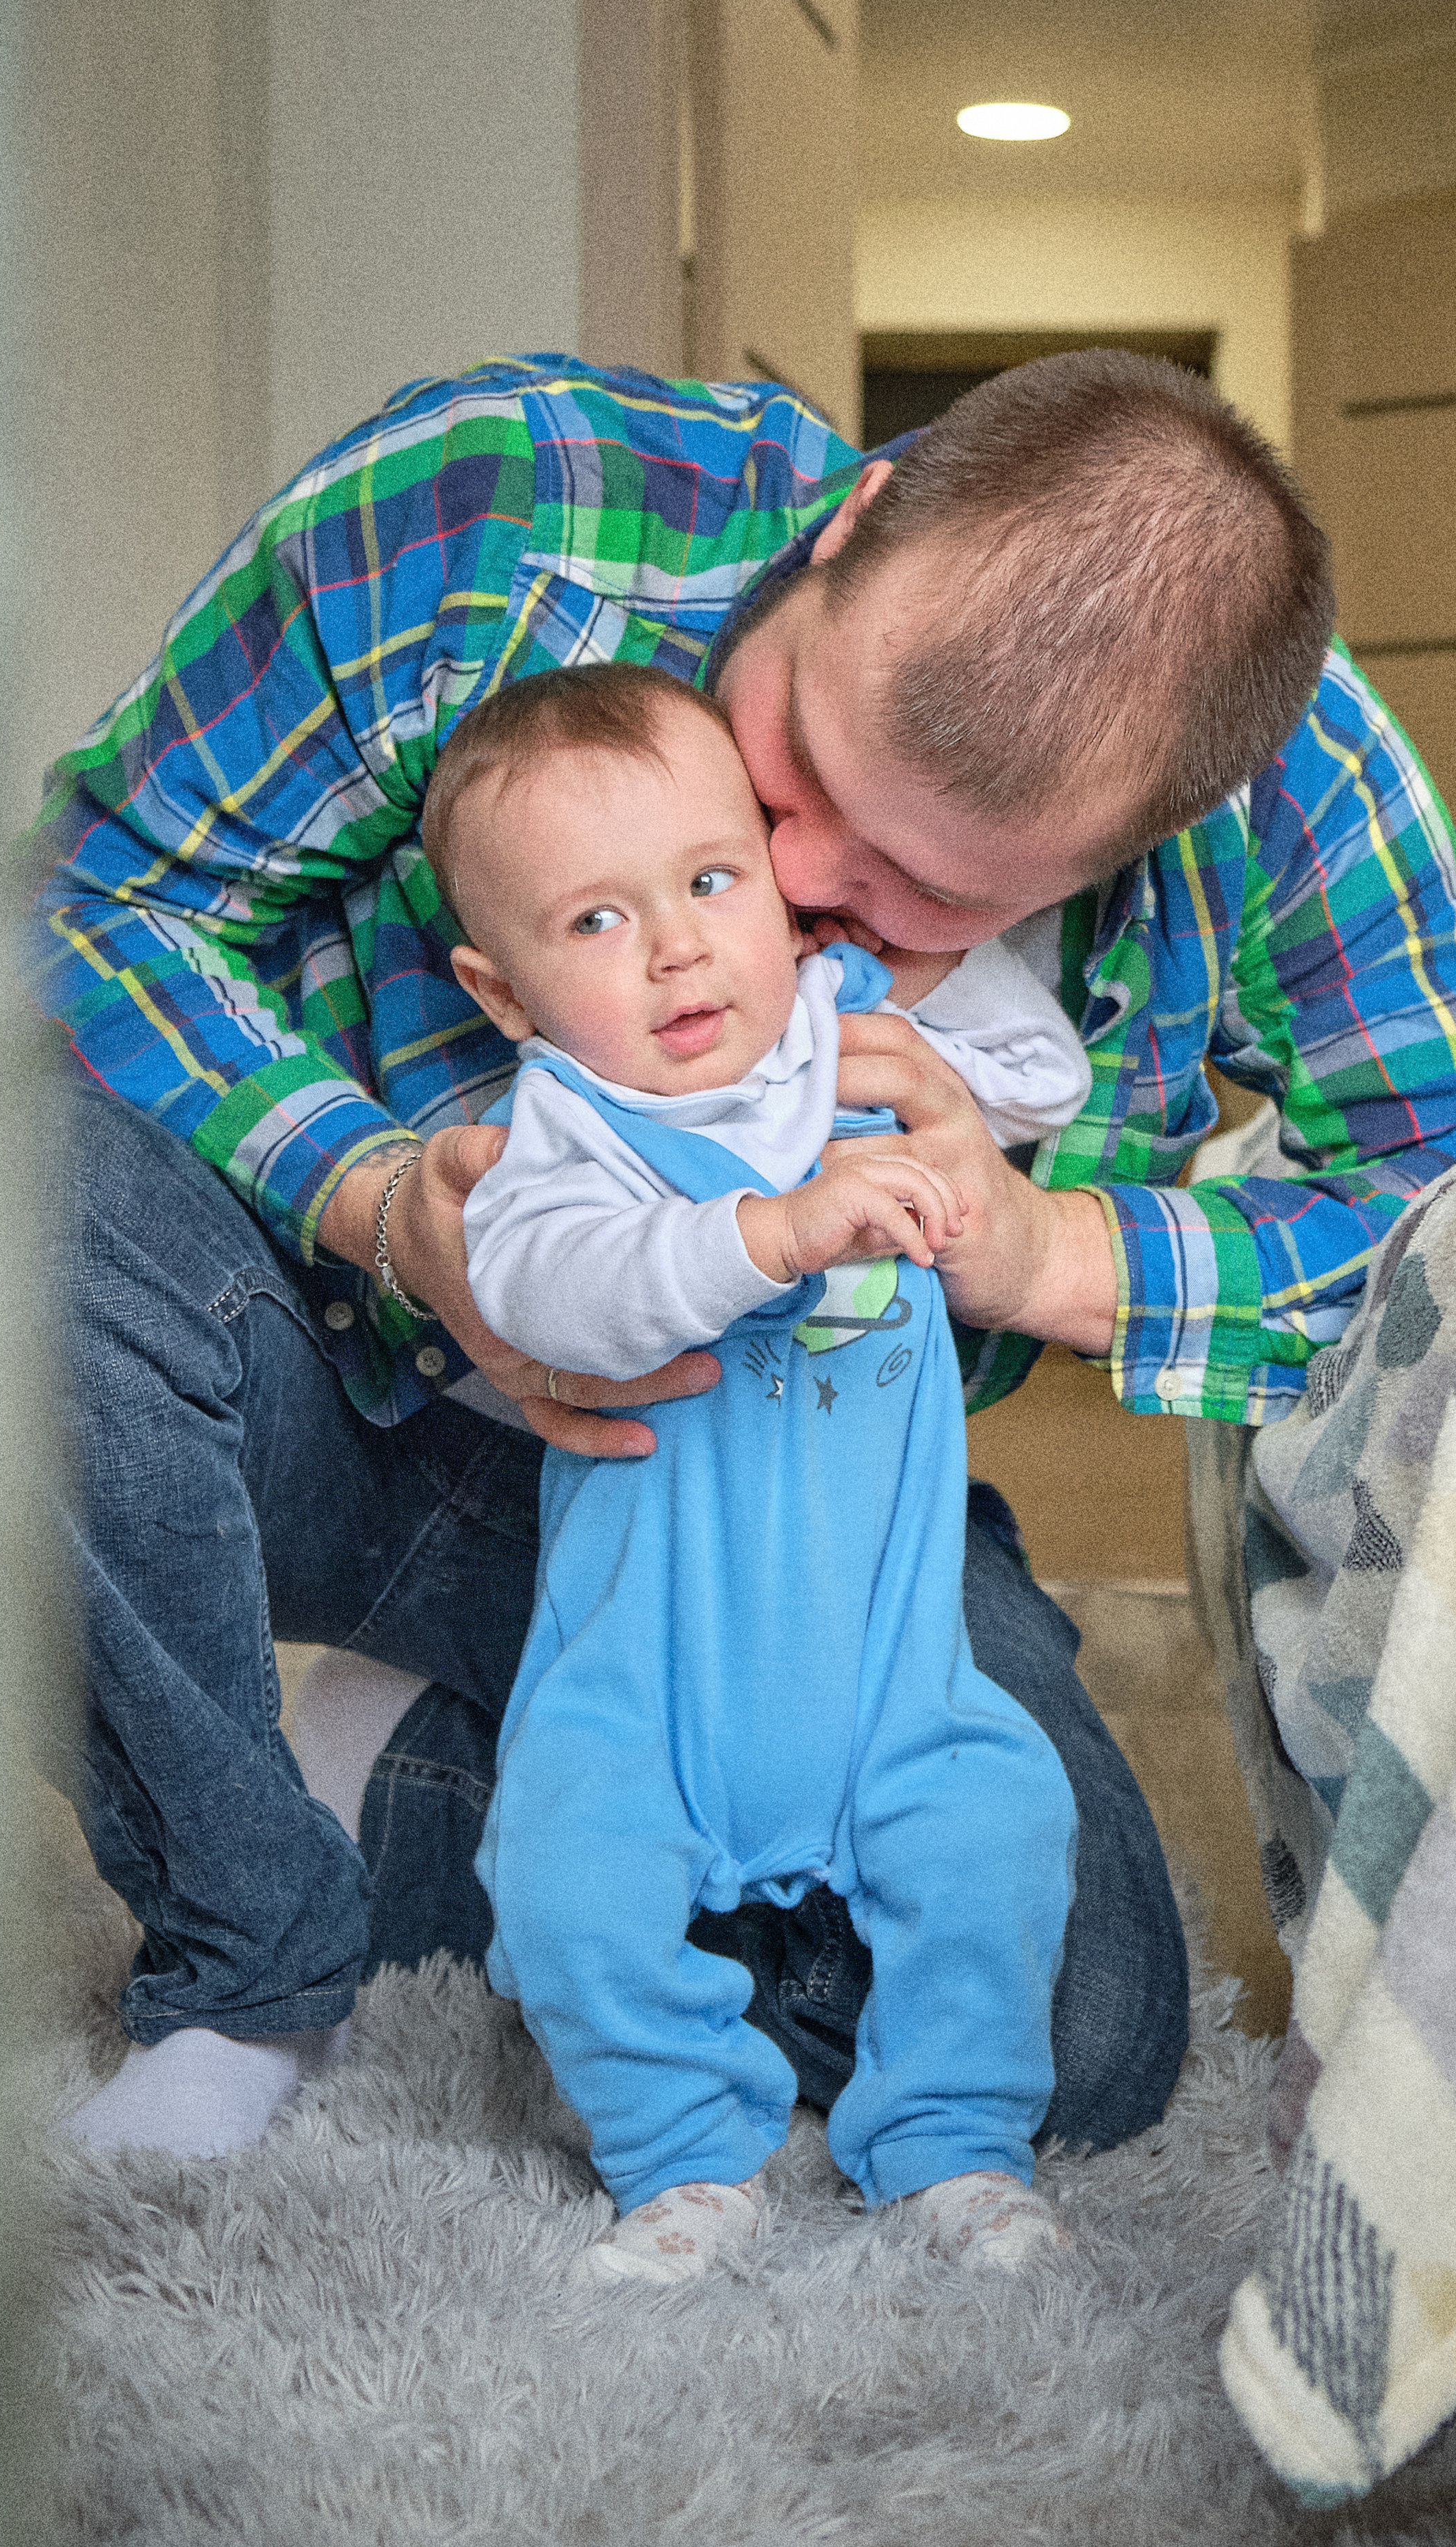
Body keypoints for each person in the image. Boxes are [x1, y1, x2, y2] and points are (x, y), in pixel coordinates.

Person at [28, 347, 1456, 2162]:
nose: (803, 884)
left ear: (1137, 842)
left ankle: (434, 1773)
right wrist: (375, 1198)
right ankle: (248, 1946)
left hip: (803, 1539)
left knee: (1077, 2035)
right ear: (855, 521)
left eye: (939, 895)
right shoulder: (506, 508)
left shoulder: (1281, 783)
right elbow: (86, 898)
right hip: (336, 1394)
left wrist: (1046, 1248)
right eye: (803, 768)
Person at [430, 665, 1089, 2283]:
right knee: (561, 1880)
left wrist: (912, 1004)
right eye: (595, 921)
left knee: (1002, 1828)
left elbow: (1046, 1071)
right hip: (642, 1691)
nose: (673, 949)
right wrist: (770, 1232)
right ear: (503, 993)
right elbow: (553, 1296)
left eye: (711, 882)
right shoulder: (560, 1138)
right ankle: (680, 2155)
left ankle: (953, 2146)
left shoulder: (851, 1039)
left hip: (888, 1672)